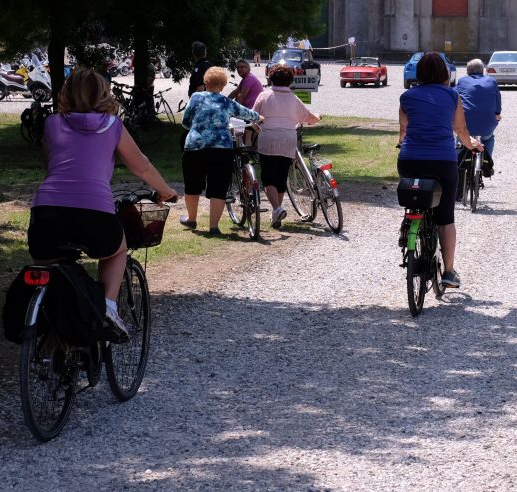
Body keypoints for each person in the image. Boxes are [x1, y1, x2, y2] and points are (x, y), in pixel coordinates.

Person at [28, 68, 178, 338]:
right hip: (94, 213)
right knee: (116, 250)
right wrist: (165, 191)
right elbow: (141, 167)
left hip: (47, 213)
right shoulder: (113, 126)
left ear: (66, 92)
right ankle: (107, 307)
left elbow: (50, 164)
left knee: (50, 267)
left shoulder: (52, 123)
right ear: (103, 93)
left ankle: (52, 332)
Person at [398, 52, 482, 289]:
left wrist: (404, 142)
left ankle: (409, 224)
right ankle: (449, 271)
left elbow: (403, 131)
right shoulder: (452, 96)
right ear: (445, 73)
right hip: (442, 161)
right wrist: (472, 144)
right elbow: (461, 129)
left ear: (419, 73)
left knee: (414, 197)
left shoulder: (406, 97)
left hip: (410, 159)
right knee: (445, 217)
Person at [180, 66, 261, 235]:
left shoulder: (196, 97)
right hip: (222, 148)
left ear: (205, 82)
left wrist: (194, 127)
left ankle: (191, 219)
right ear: (223, 86)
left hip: (196, 146)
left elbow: (186, 120)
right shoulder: (227, 102)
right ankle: (214, 227)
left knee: (192, 184)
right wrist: (259, 117)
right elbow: (246, 113)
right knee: (218, 187)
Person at [253, 66, 320, 229]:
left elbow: (253, 117)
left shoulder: (264, 95)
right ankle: (277, 213)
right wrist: (318, 117)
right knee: (281, 177)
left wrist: (259, 130)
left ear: (271, 78)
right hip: (288, 140)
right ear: (290, 80)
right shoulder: (293, 98)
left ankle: (276, 208)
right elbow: (308, 118)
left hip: (268, 138)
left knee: (268, 177)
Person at [455, 58, 501, 163]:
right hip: (487, 122)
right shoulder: (491, 81)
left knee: (461, 138)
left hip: (466, 122)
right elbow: (498, 100)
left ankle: (458, 164)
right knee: (488, 138)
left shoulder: (462, 81)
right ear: (482, 70)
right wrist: (497, 113)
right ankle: (486, 162)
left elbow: (454, 98)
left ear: (468, 71)